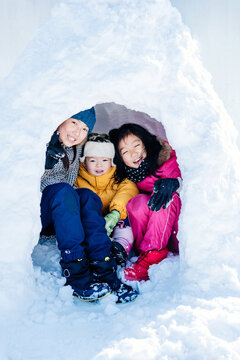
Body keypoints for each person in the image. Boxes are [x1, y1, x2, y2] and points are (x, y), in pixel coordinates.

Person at [40, 107, 138, 303]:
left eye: (84, 129)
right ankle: (75, 271)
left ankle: (103, 267)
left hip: (64, 212)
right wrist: (45, 156)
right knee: (64, 190)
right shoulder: (42, 140)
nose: (77, 132)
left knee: (86, 195)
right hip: (43, 213)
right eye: (74, 123)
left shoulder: (77, 150)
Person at [109, 123, 182, 282]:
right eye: (125, 152)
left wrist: (176, 183)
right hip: (151, 233)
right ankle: (145, 253)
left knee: (166, 197)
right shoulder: (131, 175)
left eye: (137, 145)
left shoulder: (167, 160)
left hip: (176, 233)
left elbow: (197, 178)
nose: (133, 154)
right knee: (138, 202)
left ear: (146, 143)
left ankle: (153, 256)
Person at [74, 133, 139, 266]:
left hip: (114, 219)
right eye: (92, 160)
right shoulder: (78, 179)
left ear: (111, 161)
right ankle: (87, 249)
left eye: (104, 160)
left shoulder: (117, 177)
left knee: (125, 219)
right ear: (84, 162)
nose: (99, 165)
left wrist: (116, 212)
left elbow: (128, 190)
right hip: (91, 222)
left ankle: (120, 246)